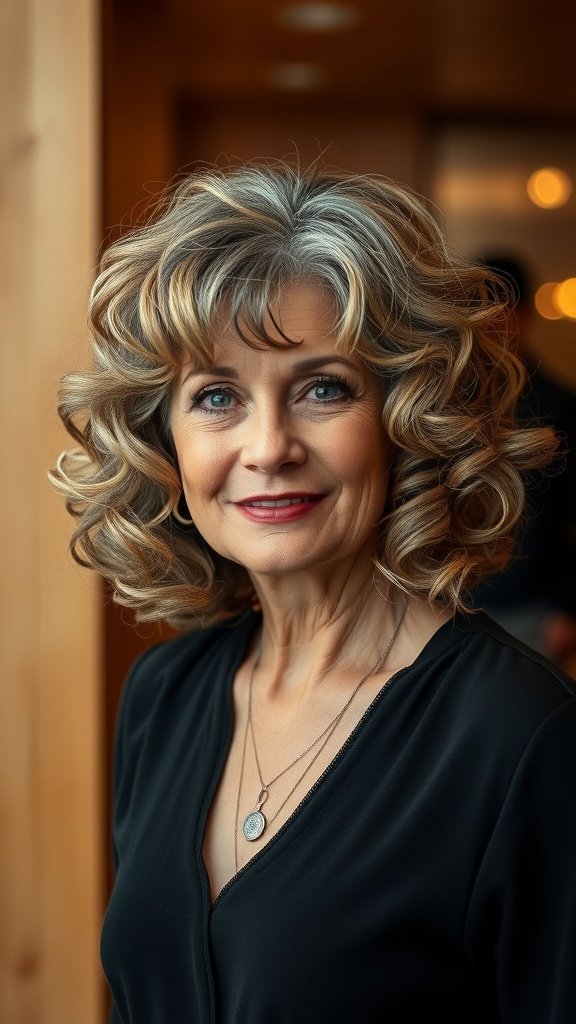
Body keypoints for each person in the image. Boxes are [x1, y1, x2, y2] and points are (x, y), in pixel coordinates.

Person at [50, 164, 576, 1023]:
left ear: (406, 418)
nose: (268, 446)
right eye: (216, 397)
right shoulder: (165, 696)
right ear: (165, 442)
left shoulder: (521, 738)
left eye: (324, 388)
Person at [472, 255, 576, 667]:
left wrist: (567, 606)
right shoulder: (456, 400)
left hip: (532, 602)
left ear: (524, 317)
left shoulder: (560, 406)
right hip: (460, 596)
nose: (491, 328)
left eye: (501, 315)